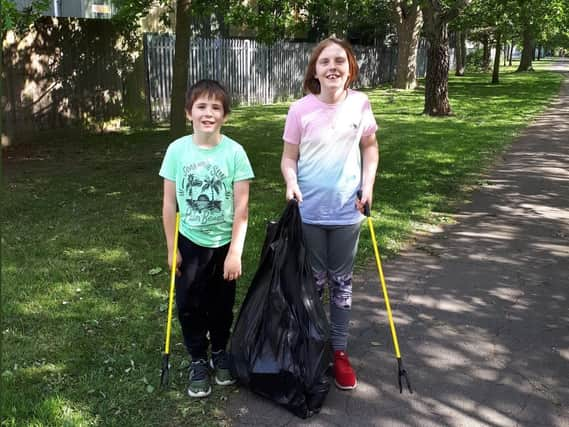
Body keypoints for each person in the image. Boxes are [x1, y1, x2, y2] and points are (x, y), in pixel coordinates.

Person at [281, 38, 379, 390]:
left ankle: (338, 352)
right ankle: (310, 345)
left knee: (341, 284)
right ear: (315, 71)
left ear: (350, 68)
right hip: (308, 212)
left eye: (340, 60)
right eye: (325, 61)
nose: (333, 66)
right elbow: (288, 157)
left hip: (347, 212)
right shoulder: (300, 110)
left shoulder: (361, 105)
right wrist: (291, 182)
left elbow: (370, 148)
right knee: (313, 284)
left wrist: (368, 186)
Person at [160, 79, 254, 398]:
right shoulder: (176, 151)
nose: (208, 113)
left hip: (223, 246)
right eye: (201, 106)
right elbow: (169, 205)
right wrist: (172, 249)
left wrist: (235, 252)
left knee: (221, 306)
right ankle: (198, 357)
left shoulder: (235, 153)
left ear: (225, 116)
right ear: (189, 112)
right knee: (189, 305)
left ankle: (219, 352)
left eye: (216, 107)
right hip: (189, 242)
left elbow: (242, 209)